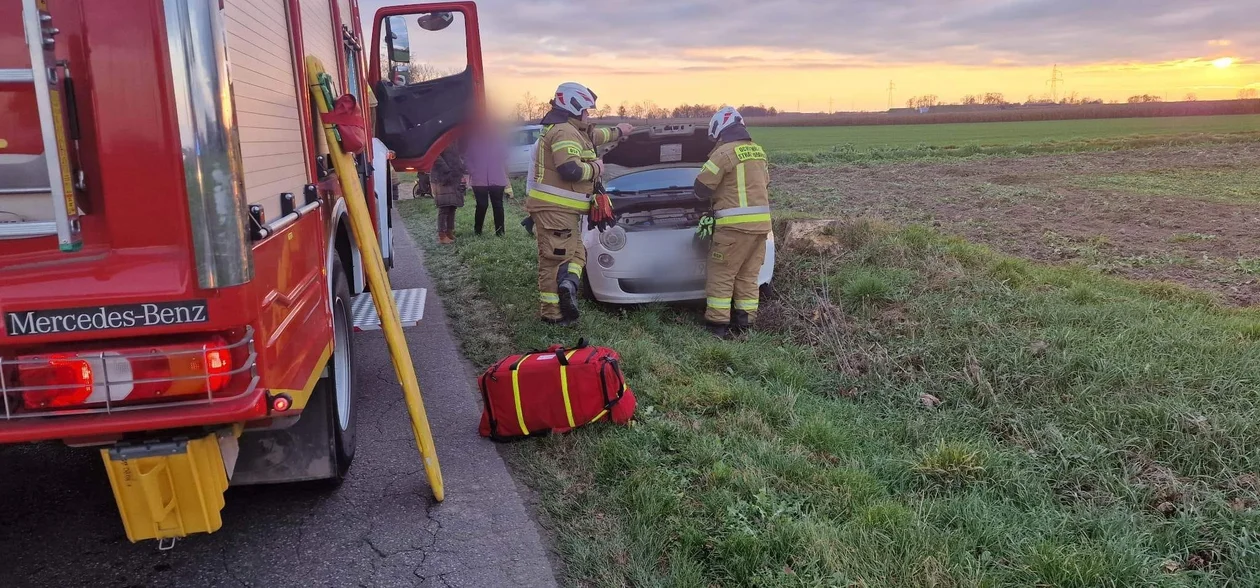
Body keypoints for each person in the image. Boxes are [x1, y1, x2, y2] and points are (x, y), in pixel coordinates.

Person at [525, 82, 633, 326]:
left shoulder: (574, 130)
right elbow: (570, 169)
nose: (588, 115)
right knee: (553, 261)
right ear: (574, 107)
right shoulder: (563, 132)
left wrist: (619, 131)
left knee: (577, 253)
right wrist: (597, 167)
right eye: (586, 110)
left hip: (564, 211)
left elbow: (594, 137)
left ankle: (567, 285)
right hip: (554, 211)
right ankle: (552, 315)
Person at [693, 106, 772, 338]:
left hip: (734, 228)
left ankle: (717, 328)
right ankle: (745, 325)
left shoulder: (724, 153)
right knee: (748, 276)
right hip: (761, 228)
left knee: (722, 274)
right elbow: (764, 184)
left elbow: (701, 187)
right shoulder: (758, 152)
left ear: (719, 130)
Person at [463, 119, 511, 236]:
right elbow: (467, 158)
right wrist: (473, 171)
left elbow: (505, 154)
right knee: (482, 205)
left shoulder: (499, 140)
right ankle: (477, 231)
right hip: (479, 180)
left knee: (498, 206)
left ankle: (500, 232)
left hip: (497, 177)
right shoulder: (474, 141)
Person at [430, 144, 468, 244]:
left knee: (452, 206)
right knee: (444, 207)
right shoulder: (440, 138)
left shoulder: (454, 139)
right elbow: (435, 155)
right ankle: (442, 235)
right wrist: (447, 170)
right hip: (443, 178)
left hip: (454, 176)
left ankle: (449, 231)